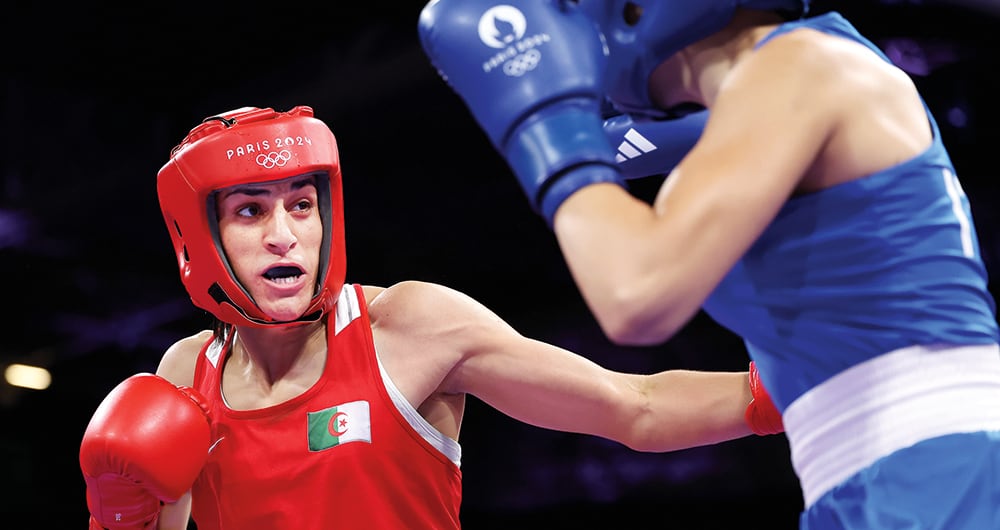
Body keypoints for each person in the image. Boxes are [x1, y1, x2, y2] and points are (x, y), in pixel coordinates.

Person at [418, 0, 1000, 528]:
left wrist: (544, 124)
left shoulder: (800, 64)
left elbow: (634, 294)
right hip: (864, 474)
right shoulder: (780, 86)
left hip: (938, 458)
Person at [77, 105, 785, 530]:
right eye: (250, 210)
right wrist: (119, 512)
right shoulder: (184, 374)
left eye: (302, 204)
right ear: (199, 236)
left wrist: (794, 388)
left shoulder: (409, 326)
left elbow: (635, 406)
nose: (285, 234)